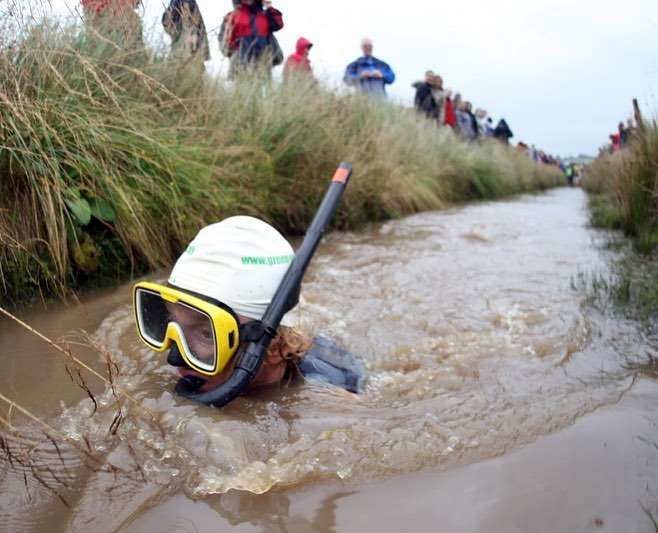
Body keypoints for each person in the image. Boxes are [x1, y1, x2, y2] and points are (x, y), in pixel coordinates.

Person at [133, 217, 365, 400]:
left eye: (206, 334)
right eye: (170, 324)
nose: (174, 358)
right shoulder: (201, 370)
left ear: (274, 348)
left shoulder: (331, 393)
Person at [219, 0, 284, 78]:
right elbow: (224, 43)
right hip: (239, 66)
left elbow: (278, 24)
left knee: (262, 88)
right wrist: (233, 53)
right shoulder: (232, 16)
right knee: (240, 89)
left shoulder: (265, 15)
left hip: (263, 66)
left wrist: (269, 7)